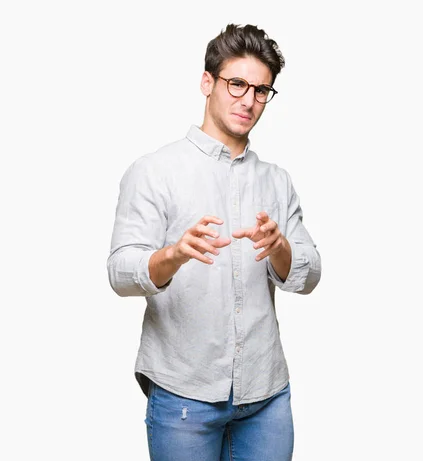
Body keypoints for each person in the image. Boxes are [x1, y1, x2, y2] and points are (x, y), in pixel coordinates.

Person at [106, 23, 321, 461]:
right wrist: (173, 255)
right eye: (237, 83)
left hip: (266, 395)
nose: (249, 99)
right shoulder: (155, 170)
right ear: (208, 82)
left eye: (262, 90)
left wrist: (279, 247)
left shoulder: (276, 181)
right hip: (184, 394)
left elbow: (310, 274)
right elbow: (120, 273)